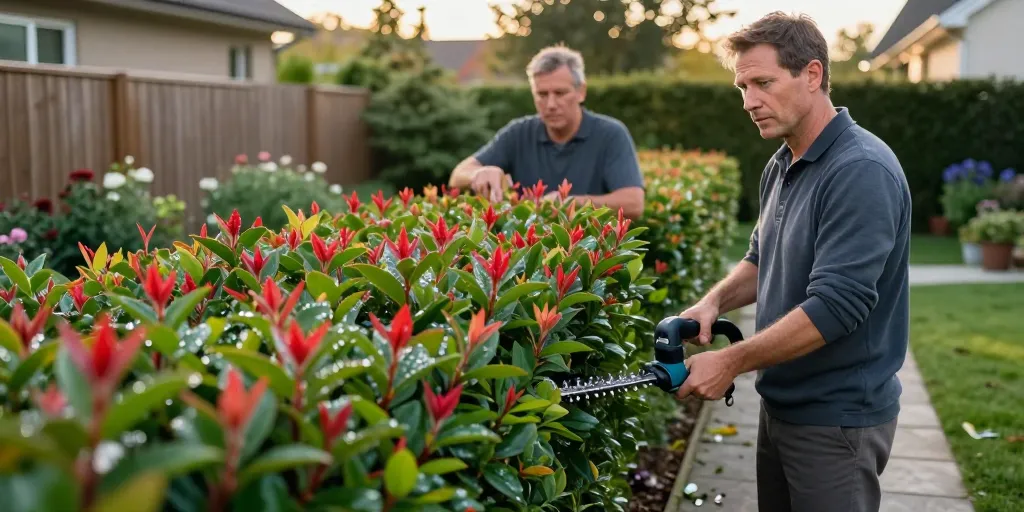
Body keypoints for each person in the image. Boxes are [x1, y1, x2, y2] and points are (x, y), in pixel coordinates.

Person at [673, 12, 912, 512]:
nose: (750, 101)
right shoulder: (783, 161)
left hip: (837, 419)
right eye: (742, 87)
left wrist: (732, 361)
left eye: (763, 82)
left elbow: (836, 307)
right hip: (784, 404)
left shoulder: (860, 170)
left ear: (812, 74)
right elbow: (761, 260)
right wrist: (712, 302)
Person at [448, 45, 646, 219]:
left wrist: (569, 202)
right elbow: (457, 176)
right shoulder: (518, 133)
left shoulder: (611, 134)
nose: (550, 104)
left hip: (592, 256)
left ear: (581, 92)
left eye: (560, 93)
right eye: (542, 94)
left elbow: (634, 204)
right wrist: (478, 174)